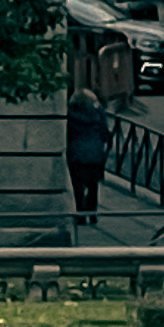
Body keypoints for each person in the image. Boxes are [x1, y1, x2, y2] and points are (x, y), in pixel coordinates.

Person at [66, 91, 110, 226]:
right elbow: (105, 134)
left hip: (76, 156)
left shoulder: (70, 116)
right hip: (95, 156)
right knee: (93, 186)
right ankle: (92, 213)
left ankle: (80, 215)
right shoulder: (98, 115)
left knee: (78, 187)